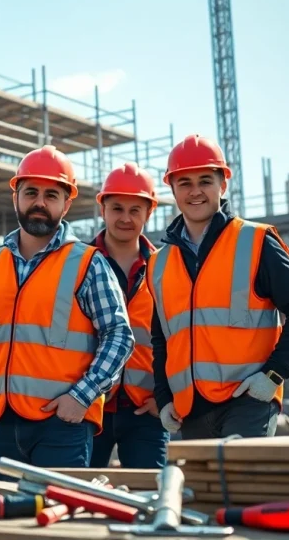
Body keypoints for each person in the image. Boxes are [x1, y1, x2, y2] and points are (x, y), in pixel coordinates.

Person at [0, 145, 135, 481]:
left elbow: (119, 335)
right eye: (31, 192)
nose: (40, 202)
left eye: (51, 194)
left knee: (56, 529)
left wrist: (81, 396)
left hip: (61, 426)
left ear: (66, 204)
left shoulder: (88, 263)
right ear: (17, 198)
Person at [148, 134, 289, 440]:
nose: (195, 191)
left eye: (205, 180)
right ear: (172, 189)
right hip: (189, 410)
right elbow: (162, 338)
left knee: (244, 485)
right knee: (204, 490)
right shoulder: (158, 264)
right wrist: (164, 399)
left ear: (222, 184)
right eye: (185, 183)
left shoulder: (255, 242)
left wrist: (273, 375)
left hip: (249, 400)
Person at [87, 163, 170, 469]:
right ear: (103, 209)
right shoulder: (77, 264)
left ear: (149, 213)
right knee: (78, 499)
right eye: (117, 208)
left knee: (150, 496)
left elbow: (182, 338)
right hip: (88, 407)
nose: (125, 217)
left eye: (135, 210)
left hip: (145, 411)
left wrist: (166, 396)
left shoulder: (166, 270)